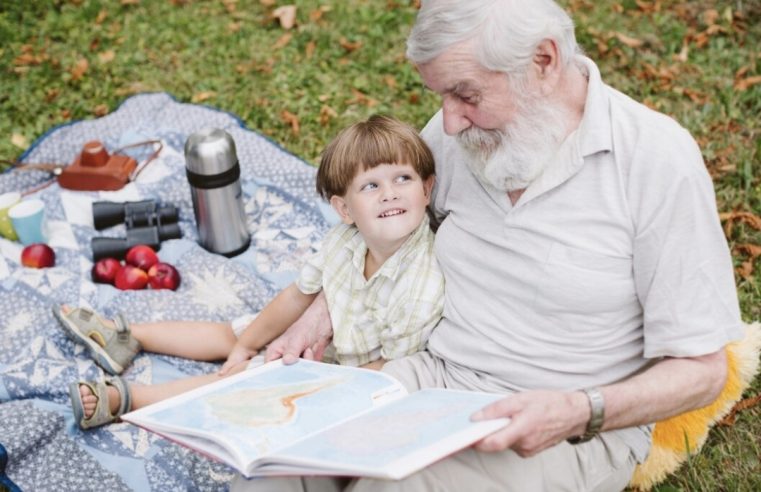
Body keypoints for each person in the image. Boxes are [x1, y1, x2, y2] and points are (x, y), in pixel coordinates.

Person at [238, 1, 744, 490]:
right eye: (441, 96)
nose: (450, 121)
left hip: (563, 426)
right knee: (279, 458)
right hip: (432, 375)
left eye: (467, 95)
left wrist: (580, 409)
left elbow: (702, 372)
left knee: (398, 485)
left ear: (543, 61)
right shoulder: (459, 132)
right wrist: (328, 304)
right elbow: (396, 232)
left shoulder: (654, 160)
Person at [57, 115, 444, 429]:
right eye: (371, 185)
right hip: (321, 335)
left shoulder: (420, 286)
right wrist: (246, 343)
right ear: (345, 211)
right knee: (233, 332)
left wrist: (294, 378)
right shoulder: (344, 241)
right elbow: (297, 295)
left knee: (236, 383)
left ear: (427, 190)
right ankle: (127, 336)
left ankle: (127, 399)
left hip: (338, 369)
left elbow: (387, 373)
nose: (389, 193)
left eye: (403, 179)